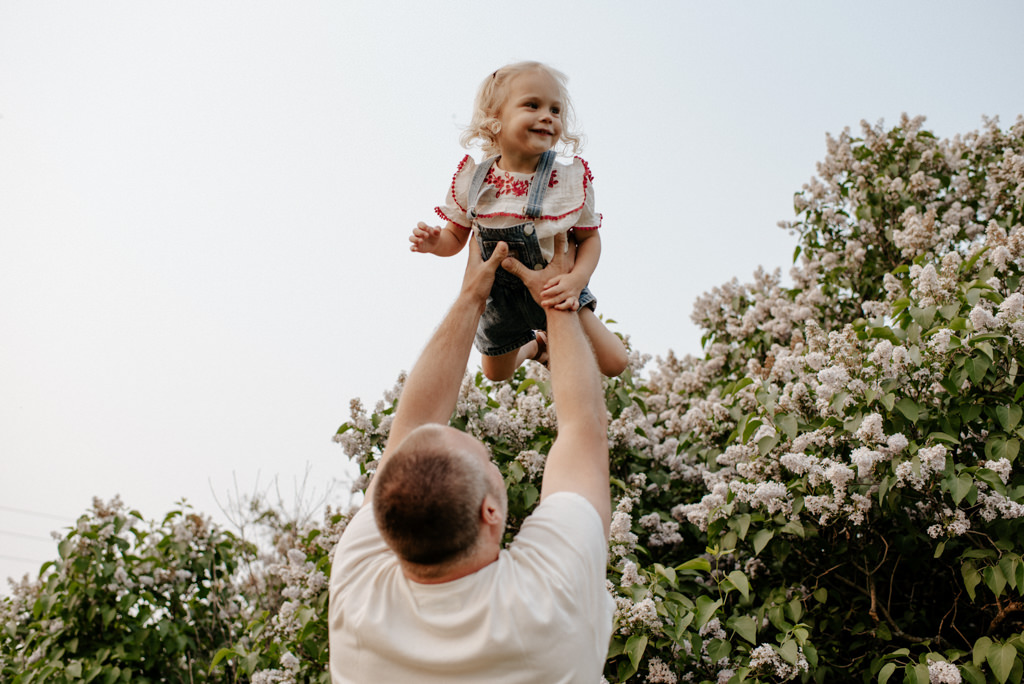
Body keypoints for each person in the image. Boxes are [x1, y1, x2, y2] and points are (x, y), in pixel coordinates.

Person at [328, 232, 615, 683]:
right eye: (487, 461)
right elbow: (584, 428)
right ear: (490, 511)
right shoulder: (547, 601)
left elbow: (412, 425)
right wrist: (556, 298)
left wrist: (472, 298)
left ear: (384, 524)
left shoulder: (359, 602)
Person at [409, 61, 628, 381]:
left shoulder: (564, 181)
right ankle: (538, 348)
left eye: (555, 110)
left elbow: (589, 238)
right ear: (495, 119)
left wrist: (577, 280)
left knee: (614, 362)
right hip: (499, 295)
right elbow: (455, 238)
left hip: (556, 285)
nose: (547, 116)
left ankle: (551, 336)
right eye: (532, 105)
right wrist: (434, 243)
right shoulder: (475, 182)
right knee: (497, 374)